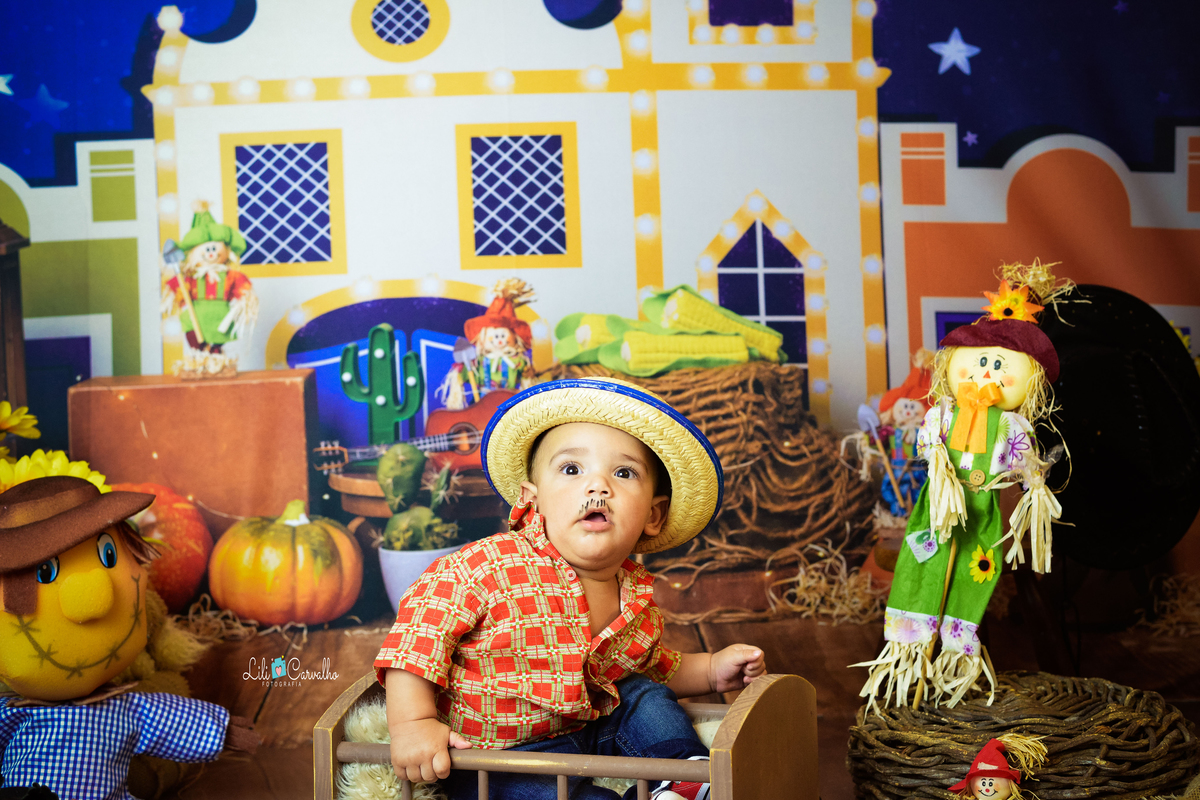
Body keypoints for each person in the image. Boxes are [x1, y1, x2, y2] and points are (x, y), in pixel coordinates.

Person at [374, 378, 767, 800]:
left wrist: (710, 669)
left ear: (653, 515)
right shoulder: (488, 565)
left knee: (640, 694)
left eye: (623, 472)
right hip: (497, 758)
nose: (598, 486)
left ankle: (682, 776)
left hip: (586, 730)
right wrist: (413, 724)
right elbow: (416, 639)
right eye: (572, 469)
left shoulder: (634, 597)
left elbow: (655, 667)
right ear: (532, 500)